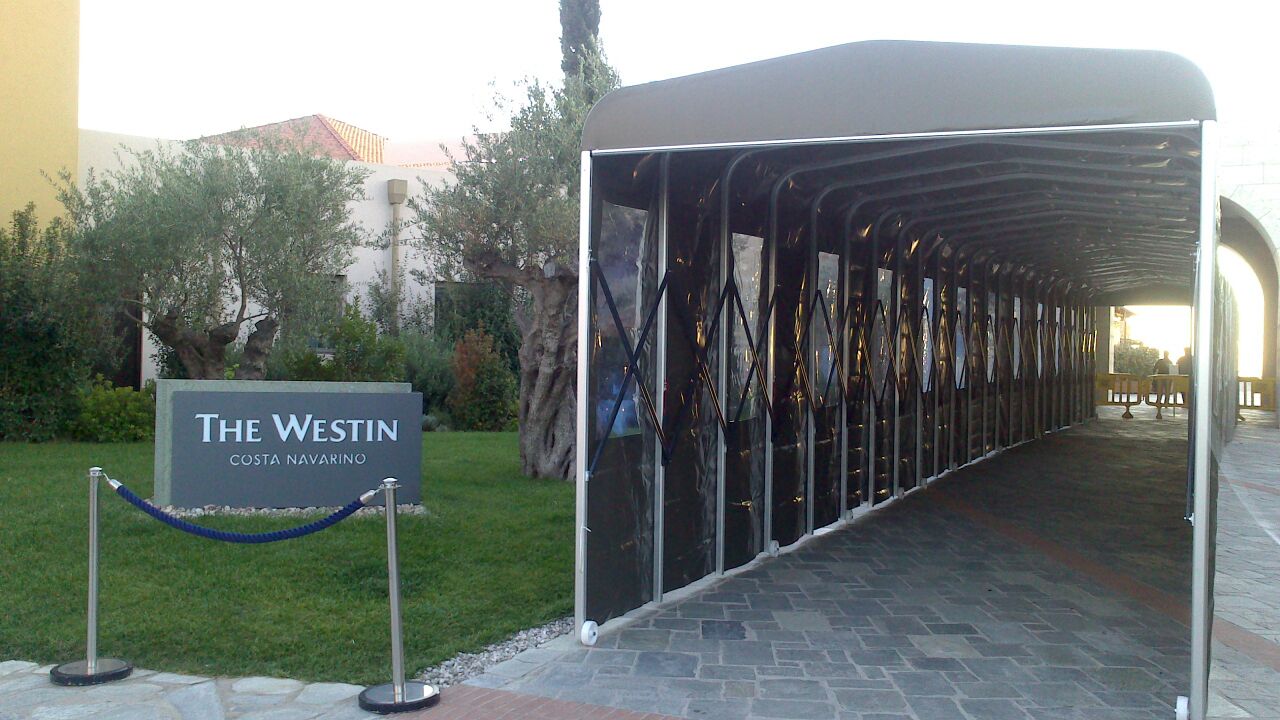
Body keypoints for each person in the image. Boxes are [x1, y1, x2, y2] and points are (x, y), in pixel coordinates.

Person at [1152, 351, 1173, 418]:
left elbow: (1155, 368)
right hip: (1162, 377)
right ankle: (1162, 402)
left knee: (1164, 390)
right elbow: (1155, 368)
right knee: (1162, 390)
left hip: (1163, 377)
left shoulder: (1164, 361)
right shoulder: (1168, 361)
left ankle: (1162, 402)